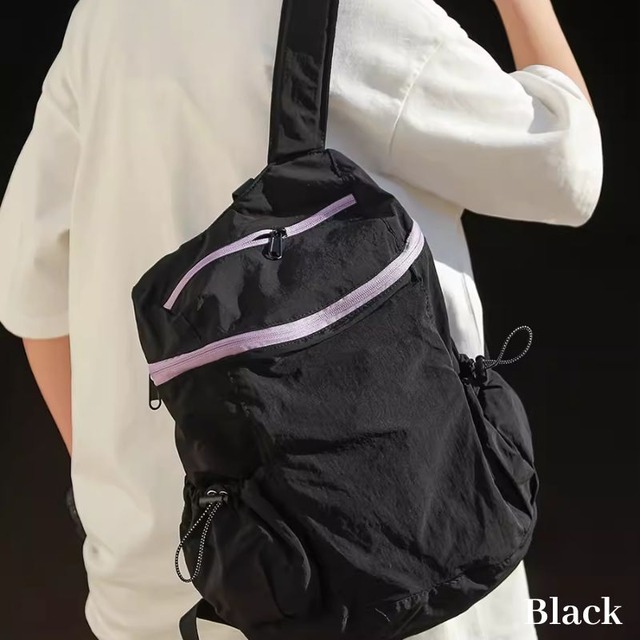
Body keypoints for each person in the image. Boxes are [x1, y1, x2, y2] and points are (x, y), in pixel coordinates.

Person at [0, 0, 602, 639]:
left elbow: (32, 293)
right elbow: (568, 167)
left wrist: (128, 495)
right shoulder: (365, 13)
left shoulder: (103, 19)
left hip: (162, 586)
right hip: (385, 580)